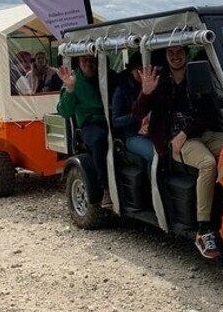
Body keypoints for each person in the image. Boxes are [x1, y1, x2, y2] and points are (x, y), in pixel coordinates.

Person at [132, 45, 223, 259]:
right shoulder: (160, 81)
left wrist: (186, 132)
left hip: (198, 134)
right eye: (171, 53)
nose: (176, 57)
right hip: (175, 142)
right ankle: (204, 228)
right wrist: (145, 92)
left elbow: (208, 113)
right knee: (207, 164)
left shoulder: (197, 77)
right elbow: (137, 113)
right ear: (166, 56)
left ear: (186, 54)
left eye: (180, 53)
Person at [57, 55, 111, 207]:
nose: (88, 64)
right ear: (78, 62)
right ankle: (105, 188)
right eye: (84, 60)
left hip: (112, 119)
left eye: (92, 60)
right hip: (91, 124)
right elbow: (65, 112)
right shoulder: (73, 81)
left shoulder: (109, 76)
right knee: (100, 140)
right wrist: (69, 89)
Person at [111, 54, 154, 166]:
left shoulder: (155, 86)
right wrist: (137, 117)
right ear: (131, 71)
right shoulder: (122, 91)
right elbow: (115, 121)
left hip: (156, 131)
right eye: (138, 71)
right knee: (154, 154)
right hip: (133, 136)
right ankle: (152, 183)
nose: (141, 75)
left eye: (144, 70)